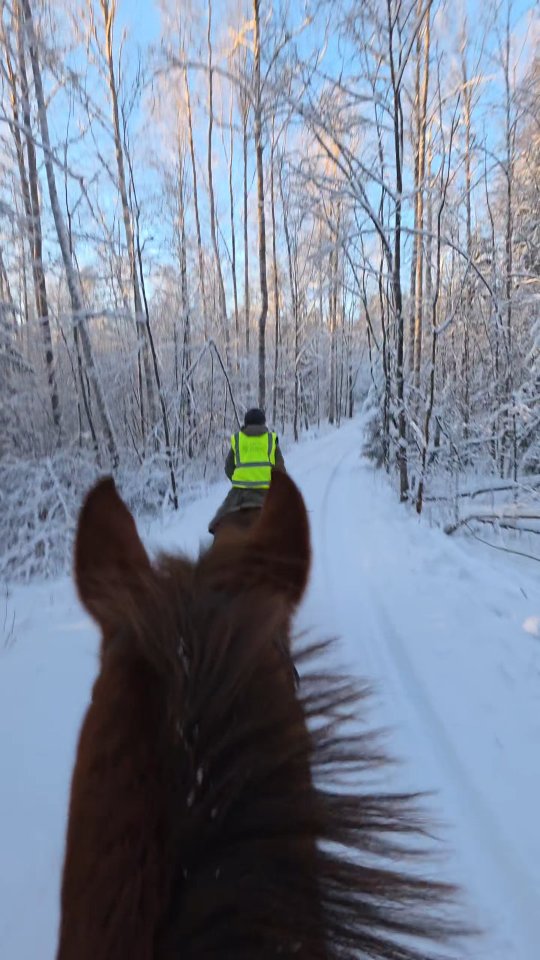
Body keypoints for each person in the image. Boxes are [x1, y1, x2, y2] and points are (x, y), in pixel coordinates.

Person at [208, 408, 285, 536]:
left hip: (240, 492)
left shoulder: (239, 440)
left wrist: (240, 479)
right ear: (263, 423)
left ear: (246, 423)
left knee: (222, 516)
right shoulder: (271, 440)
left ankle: (216, 531)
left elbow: (228, 468)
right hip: (266, 491)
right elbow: (280, 470)